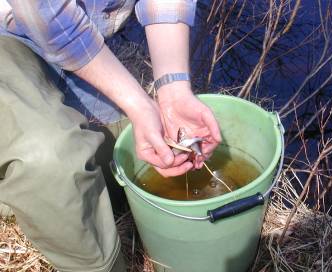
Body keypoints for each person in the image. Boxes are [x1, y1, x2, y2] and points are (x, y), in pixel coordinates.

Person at [0, 0, 221, 271]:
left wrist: (173, 90)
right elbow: (47, 14)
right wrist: (138, 103)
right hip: (8, 37)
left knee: (123, 162)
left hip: (79, 38)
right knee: (54, 166)